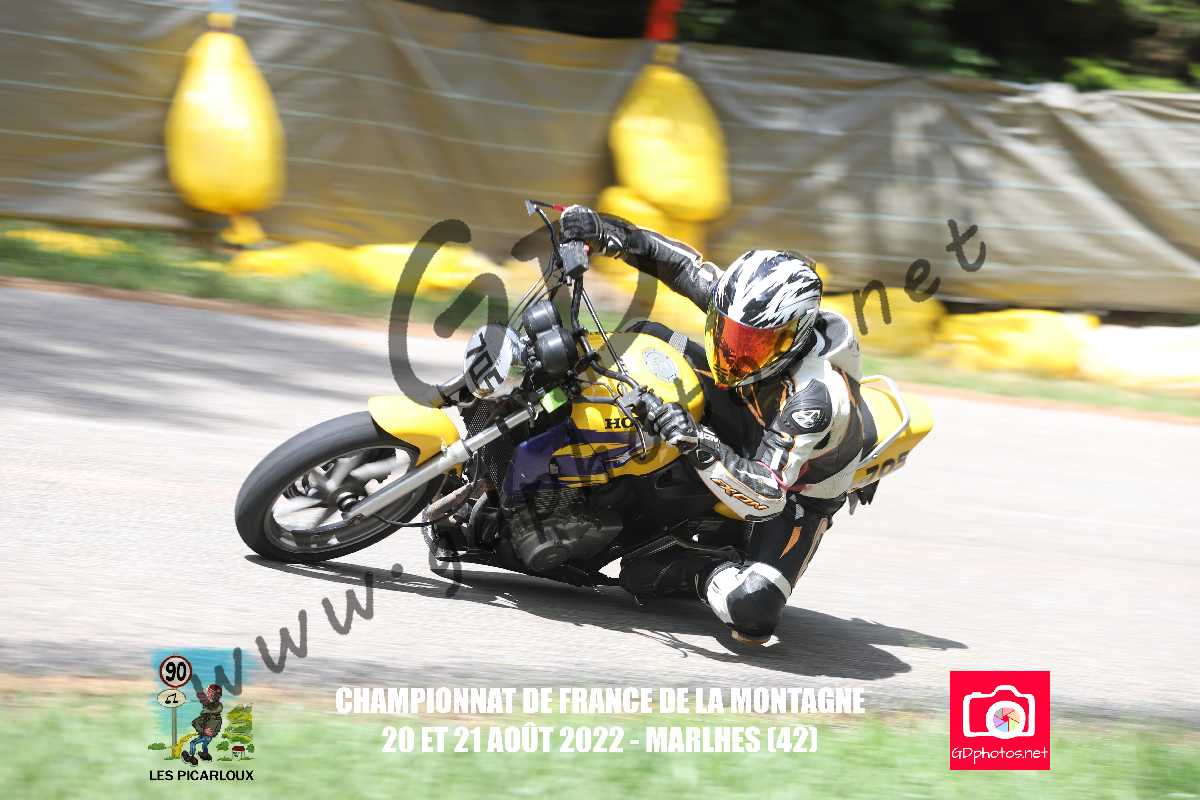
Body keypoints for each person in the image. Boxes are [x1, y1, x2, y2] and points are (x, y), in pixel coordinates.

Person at [560, 205, 874, 645]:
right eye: (729, 333)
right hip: (746, 403)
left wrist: (696, 439)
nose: (734, 353)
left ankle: (702, 567)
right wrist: (603, 230)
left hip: (795, 489)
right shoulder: (748, 309)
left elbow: (765, 495)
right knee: (646, 336)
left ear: (794, 336)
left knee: (752, 611)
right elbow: (678, 265)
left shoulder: (814, 399)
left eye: (754, 344)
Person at [181, 684, 223, 764]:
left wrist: (205, 731)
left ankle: (191, 757)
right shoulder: (212, 715)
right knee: (204, 745)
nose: (209, 694)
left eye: (212, 693)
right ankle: (205, 755)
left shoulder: (214, 714)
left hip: (206, 735)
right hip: (207, 735)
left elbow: (214, 713)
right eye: (209, 692)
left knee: (193, 743)